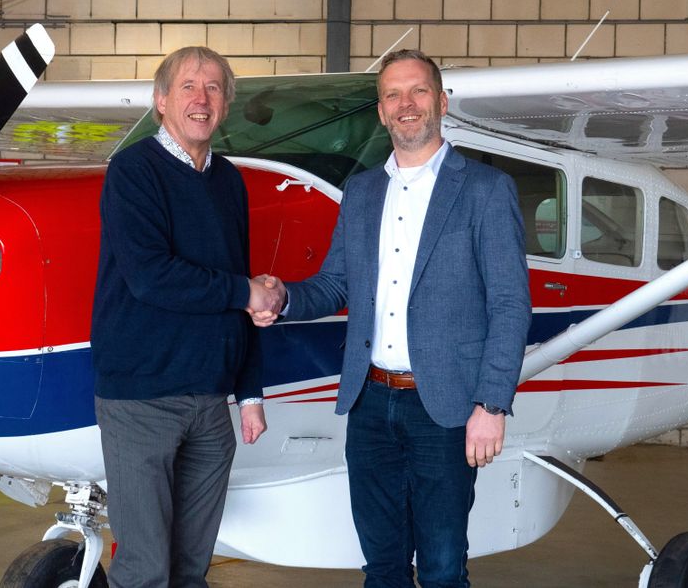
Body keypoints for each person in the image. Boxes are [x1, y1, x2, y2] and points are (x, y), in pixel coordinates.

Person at [250, 49, 531, 587]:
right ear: (380, 112)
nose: (406, 104)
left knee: (444, 568)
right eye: (393, 95)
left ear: (441, 102)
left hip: (445, 409)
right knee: (381, 566)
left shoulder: (484, 190)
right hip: (371, 403)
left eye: (418, 91)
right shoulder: (362, 192)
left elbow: (510, 305)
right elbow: (337, 284)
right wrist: (283, 298)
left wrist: (492, 404)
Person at [91, 46, 280, 588]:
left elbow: (238, 287)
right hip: (141, 401)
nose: (202, 98)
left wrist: (249, 392)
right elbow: (151, 276)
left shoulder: (228, 181)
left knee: (190, 570)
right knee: (144, 569)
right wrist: (245, 292)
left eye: (215, 87)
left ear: (225, 104)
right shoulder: (133, 171)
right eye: (189, 87)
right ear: (161, 102)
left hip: (210, 404)